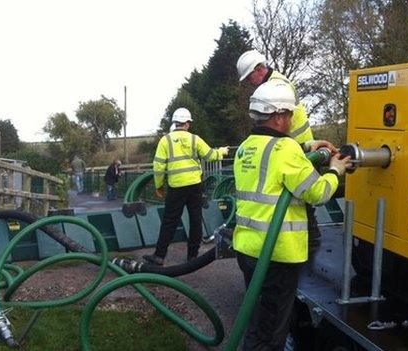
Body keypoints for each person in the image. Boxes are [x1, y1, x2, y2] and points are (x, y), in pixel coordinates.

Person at [233, 80, 351, 350]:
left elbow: (275, 164)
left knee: (258, 319)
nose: (290, 119)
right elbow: (318, 192)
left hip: (249, 249)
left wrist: (308, 146)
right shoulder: (285, 151)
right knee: (273, 330)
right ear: (277, 117)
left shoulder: (246, 147)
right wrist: (336, 169)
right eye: (288, 114)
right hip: (277, 254)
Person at [237, 49, 337, 246]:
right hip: (293, 145)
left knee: (302, 198)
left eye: (249, 77)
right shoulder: (274, 83)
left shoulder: (276, 86)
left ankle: (309, 241)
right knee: (300, 196)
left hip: (293, 147)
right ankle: (309, 239)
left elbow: (275, 124)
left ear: (259, 69)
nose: (249, 82)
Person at [142, 108, 230, 266]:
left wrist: (159, 186)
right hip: (195, 186)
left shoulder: (165, 141)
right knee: (195, 220)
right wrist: (222, 151)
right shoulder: (195, 139)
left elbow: (158, 167)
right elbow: (210, 155)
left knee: (169, 221)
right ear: (188, 123)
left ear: (175, 123)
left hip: (176, 187)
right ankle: (192, 256)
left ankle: (159, 256)